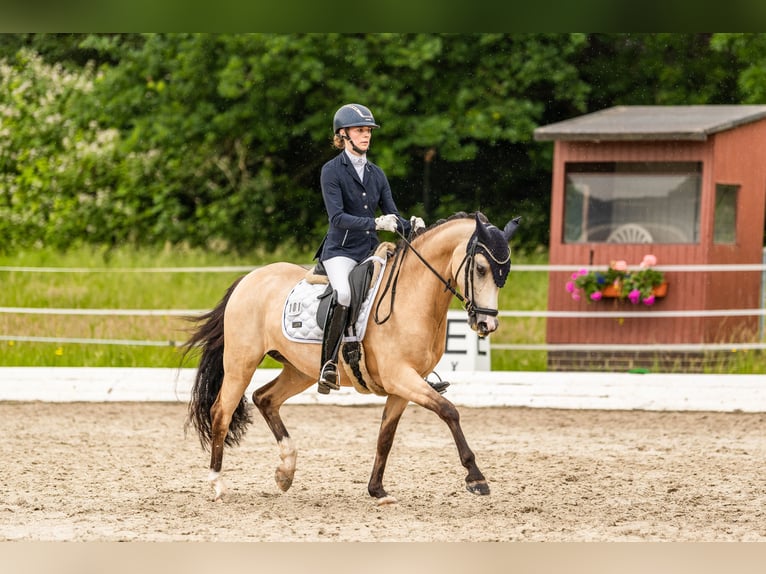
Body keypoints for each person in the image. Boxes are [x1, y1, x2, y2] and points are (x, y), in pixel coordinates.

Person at [315, 103, 425, 393]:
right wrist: (376, 224)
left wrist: (411, 225)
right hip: (340, 251)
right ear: (343, 134)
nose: (366, 136)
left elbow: (392, 214)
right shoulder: (331, 171)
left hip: (369, 252)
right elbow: (337, 218)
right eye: (360, 131)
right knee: (344, 293)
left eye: (368, 131)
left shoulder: (377, 174)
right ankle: (327, 364)